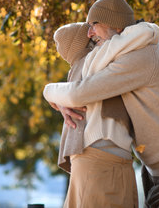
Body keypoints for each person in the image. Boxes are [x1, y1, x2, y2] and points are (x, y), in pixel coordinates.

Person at [44, 0, 159, 208]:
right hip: (158, 166)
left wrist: (48, 91)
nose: (89, 33)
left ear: (114, 24)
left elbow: (79, 93)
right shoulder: (133, 52)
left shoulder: (138, 57)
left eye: (93, 24)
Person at [50, 22, 138, 207]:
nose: (92, 32)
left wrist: (49, 92)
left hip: (99, 159)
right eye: (88, 31)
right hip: (101, 158)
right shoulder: (93, 62)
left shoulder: (79, 69)